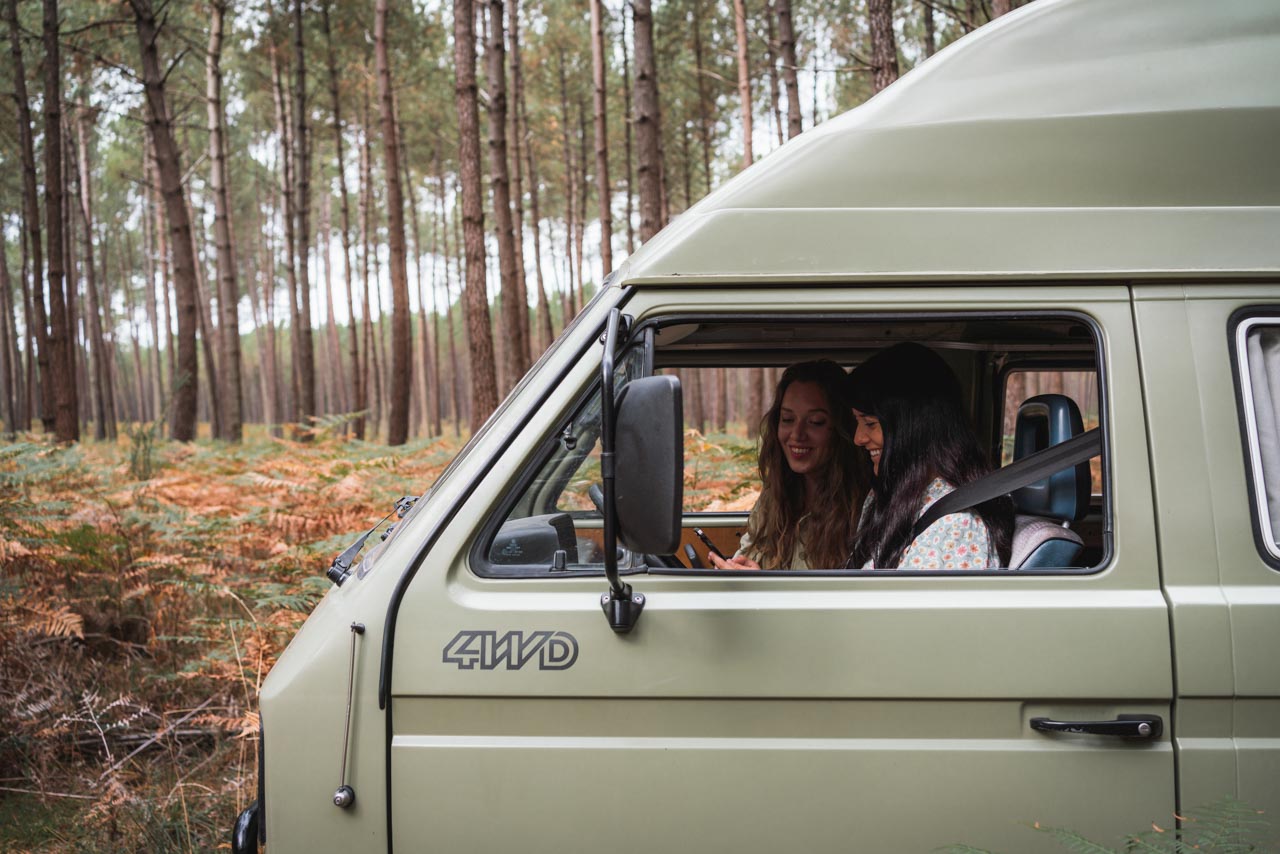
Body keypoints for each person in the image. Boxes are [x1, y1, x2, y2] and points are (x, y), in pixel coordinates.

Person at [847, 343, 1014, 570]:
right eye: (857, 423)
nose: (858, 438)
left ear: (913, 427)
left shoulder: (956, 526)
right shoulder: (887, 497)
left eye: (870, 423)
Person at [709, 360, 868, 570]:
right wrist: (742, 569)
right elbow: (748, 560)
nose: (797, 434)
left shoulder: (864, 506)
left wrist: (764, 588)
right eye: (787, 419)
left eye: (816, 422)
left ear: (842, 429)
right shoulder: (773, 498)